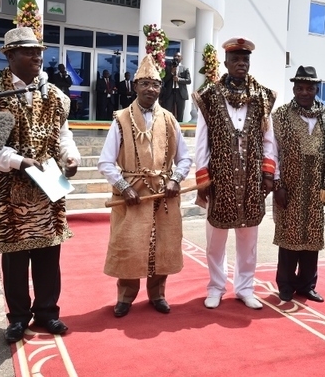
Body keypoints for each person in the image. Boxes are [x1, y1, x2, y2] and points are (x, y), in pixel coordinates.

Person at [0, 26, 81, 344]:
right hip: (9, 189)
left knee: (49, 254)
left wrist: (70, 158)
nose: (37, 56)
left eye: (39, 51)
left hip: (49, 184)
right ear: (9, 56)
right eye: (28, 51)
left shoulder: (55, 95)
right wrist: (22, 162)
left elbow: (64, 136)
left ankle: (47, 312)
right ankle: (18, 318)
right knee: (15, 257)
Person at [98, 54, 192, 318]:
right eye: (145, 84)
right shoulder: (120, 119)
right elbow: (105, 162)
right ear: (135, 86)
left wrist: (176, 179)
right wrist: (124, 187)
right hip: (131, 195)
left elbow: (185, 158)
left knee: (163, 243)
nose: (151, 89)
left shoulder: (171, 120)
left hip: (164, 193)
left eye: (156, 84)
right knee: (128, 244)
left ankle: (158, 294)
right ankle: (125, 297)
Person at [193, 37, 277, 310]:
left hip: (252, 181)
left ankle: (245, 288)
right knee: (215, 240)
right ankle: (216, 287)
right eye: (236, 60)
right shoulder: (208, 96)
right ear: (226, 63)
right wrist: (203, 178)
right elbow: (201, 140)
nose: (241, 64)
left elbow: (269, 140)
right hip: (221, 180)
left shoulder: (263, 96)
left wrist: (268, 174)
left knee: (248, 240)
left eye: (246, 60)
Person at [272, 66, 325, 303]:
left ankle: (307, 285)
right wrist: (277, 184)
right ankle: (286, 284)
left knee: (312, 236)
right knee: (289, 236)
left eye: (309, 88)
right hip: (288, 186)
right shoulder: (280, 115)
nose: (304, 92)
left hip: (315, 188)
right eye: (299, 87)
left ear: (316, 89)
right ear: (293, 88)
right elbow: (273, 152)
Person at [162, 52, 191, 122]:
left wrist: (179, 80)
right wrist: (171, 72)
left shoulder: (185, 68)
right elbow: (164, 80)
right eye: (175, 56)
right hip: (170, 92)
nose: (176, 57)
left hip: (180, 93)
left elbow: (189, 81)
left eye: (178, 56)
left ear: (181, 58)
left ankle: (179, 131)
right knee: (167, 112)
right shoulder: (168, 67)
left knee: (180, 113)